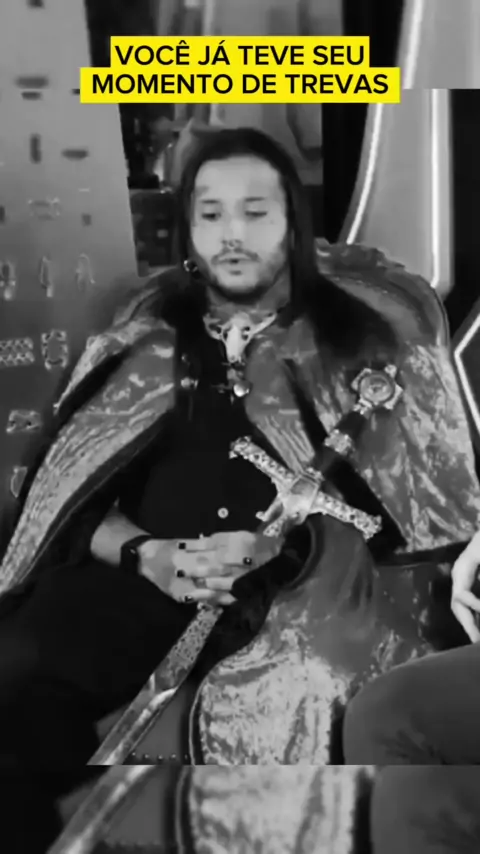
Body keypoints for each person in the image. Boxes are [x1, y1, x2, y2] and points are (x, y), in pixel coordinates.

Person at [0, 126, 479, 852]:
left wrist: (289, 552)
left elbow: (413, 512)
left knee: (311, 689)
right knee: (18, 665)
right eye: (211, 213)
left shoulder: (360, 341)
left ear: (292, 225)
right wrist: (149, 555)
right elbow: (68, 501)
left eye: (255, 213)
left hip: (299, 591)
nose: (232, 233)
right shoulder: (147, 338)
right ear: (188, 231)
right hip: (154, 579)